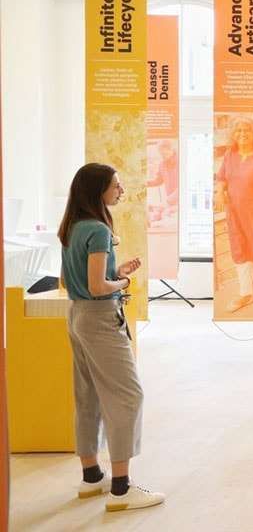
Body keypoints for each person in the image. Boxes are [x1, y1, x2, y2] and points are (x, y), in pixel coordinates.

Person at [58, 163, 165, 512]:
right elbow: (97, 286)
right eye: (116, 185)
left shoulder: (73, 227)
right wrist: (122, 283)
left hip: (77, 316)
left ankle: (92, 477)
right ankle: (121, 488)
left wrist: (114, 271)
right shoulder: (100, 230)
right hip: (101, 318)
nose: (121, 190)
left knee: (87, 394)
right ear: (98, 191)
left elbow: (69, 281)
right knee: (128, 396)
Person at [215, 116, 253, 313]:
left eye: (246, 130)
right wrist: (220, 192)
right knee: (239, 249)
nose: (242, 134)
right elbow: (222, 178)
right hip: (235, 213)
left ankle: (252, 283)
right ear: (233, 134)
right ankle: (245, 292)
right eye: (238, 130)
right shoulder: (229, 156)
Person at [146, 140, 178, 224]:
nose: (163, 157)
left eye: (164, 154)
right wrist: (145, 183)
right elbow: (158, 180)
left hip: (179, 201)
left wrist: (168, 201)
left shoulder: (181, 162)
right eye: (161, 154)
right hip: (170, 201)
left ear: (171, 150)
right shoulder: (162, 164)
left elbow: (183, 187)